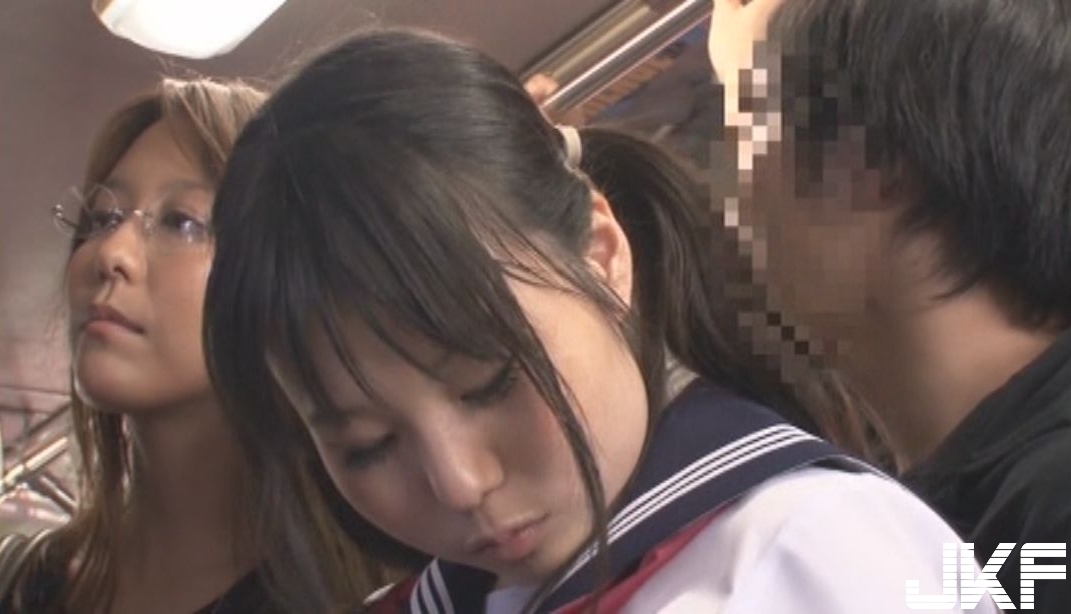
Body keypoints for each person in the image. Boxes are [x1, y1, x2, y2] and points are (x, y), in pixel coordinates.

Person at [202, 29, 995, 613]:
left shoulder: (810, 561)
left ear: (602, 255)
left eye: (489, 384)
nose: (460, 482)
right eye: (367, 445)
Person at [707, 0, 1071, 611]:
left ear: (874, 161)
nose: (735, 201)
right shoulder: (962, 514)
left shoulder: (1049, 507)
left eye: (746, 134)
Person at [0, 78, 384, 613]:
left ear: (281, 277)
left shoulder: (377, 591)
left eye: (181, 222)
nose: (111, 252)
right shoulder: (24, 584)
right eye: (103, 217)